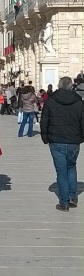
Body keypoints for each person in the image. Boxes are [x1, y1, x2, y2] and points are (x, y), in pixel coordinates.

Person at [40, 76, 84, 212]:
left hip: (56, 140)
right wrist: (81, 137)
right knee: (71, 167)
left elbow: (44, 121)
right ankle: (72, 197)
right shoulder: (79, 102)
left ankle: (63, 203)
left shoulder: (51, 101)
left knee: (61, 171)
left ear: (58, 86)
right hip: (73, 141)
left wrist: (45, 137)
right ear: (72, 87)